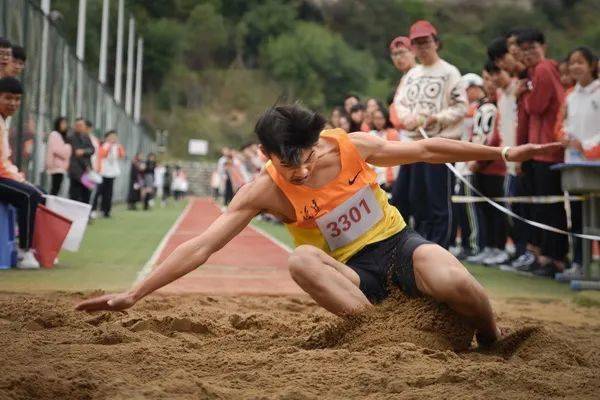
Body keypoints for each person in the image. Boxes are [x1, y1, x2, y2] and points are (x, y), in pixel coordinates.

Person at [76, 104, 562, 348]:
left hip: (399, 246)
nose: (302, 173)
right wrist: (134, 295)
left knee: (458, 281)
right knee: (300, 259)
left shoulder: (348, 145)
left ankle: (493, 343)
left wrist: (501, 152)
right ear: (266, 157)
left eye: (306, 159)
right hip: (349, 274)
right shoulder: (262, 190)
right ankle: (384, 337)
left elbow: (429, 149)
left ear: (316, 142)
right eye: (290, 169)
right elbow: (202, 246)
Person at [392, 20, 468, 249]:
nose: (422, 47)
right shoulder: (412, 75)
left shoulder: (449, 72)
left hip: (441, 144)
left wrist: (436, 118)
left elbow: (461, 107)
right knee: (415, 198)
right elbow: (400, 103)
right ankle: (422, 245)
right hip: (414, 145)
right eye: (417, 43)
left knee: (438, 200)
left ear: (436, 42)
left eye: (426, 42)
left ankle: (441, 247)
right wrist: (408, 119)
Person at [515, 28, 567, 276]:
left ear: (543, 47)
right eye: (523, 50)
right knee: (541, 207)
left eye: (532, 48)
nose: (527, 54)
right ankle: (543, 255)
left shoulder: (545, 69)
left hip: (547, 150)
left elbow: (536, 106)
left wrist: (524, 93)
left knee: (550, 207)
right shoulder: (535, 72)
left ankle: (553, 258)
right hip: (537, 151)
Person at [560, 47, 600, 279]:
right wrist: (566, 138)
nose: (575, 67)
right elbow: (565, 124)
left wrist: (587, 146)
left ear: (592, 65)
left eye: (580, 62)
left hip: (594, 163)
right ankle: (579, 264)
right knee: (576, 215)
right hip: (574, 165)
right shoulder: (570, 96)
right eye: (572, 62)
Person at [467, 63, 509, 266]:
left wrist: (480, 159)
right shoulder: (483, 106)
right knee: (483, 208)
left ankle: (499, 247)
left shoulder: (498, 105)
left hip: (494, 165)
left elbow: (494, 138)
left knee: (496, 208)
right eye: (485, 78)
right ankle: (489, 247)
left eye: (491, 78)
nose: (488, 83)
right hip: (480, 163)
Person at [0, 77, 43, 269]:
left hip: (2, 174)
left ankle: (38, 247)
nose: (13, 103)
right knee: (28, 195)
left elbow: (4, 160)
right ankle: (23, 251)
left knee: (39, 192)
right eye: (8, 98)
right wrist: (19, 180)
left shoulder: (4, 121)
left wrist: (18, 177)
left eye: (17, 99)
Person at [453, 73, 485, 261]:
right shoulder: (468, 108)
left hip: (469, 161)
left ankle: (474, 245)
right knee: (461, 207)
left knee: (470, 207)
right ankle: (466, 243)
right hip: (461, 161)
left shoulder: (478, 108)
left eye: (466, 90)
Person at [388, 35, 417, 222]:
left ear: (412, 52)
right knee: (400, 198)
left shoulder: (419, 76)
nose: (398, 57)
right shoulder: (405, 79)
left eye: (402, 52)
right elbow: (394, 114)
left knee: (422, 200)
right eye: (394, 54)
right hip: (407, 147)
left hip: (421, 144)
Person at [93, 130, 125, 218]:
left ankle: (106, 211)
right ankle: (94, 209)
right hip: (102, 172)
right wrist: (108, 146)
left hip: (112, 173)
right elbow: (101, 154)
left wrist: (117, 147)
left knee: (109, 193)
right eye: (111, 136)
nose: (113, 138)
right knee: (99, 192)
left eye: (114, 136)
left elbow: (122, 155)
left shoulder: (117, 146)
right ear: (107, 137)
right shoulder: (104, 145)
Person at [368, 107, 398, 192]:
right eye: (376, 118)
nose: (378, 121)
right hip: (375, 177)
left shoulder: (392, 134)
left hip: (390, 176)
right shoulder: (370, 134)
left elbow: (394, 156)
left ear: (386, 118)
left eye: (381, 118)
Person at [68, 118, 95, 204]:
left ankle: (85, 215)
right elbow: (75, 153)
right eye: (77, 125)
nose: (79, 127)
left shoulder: (86, 137)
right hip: (76, 172)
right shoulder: (71, 137)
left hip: (86, 171)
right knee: (75, 195)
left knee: (86, 194)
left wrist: (83, 151)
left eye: (81, 125)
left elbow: (92, 150)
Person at [45, 116, 72, 196]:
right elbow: (57, 150)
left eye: (65, 123)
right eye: (62, 123)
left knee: (56, 188)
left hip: (60, 167)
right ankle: (49, 206)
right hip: (56, 167)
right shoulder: (54, 134)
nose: (64, 125)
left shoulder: (62, 136)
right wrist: (68, 148)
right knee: (55, 189)